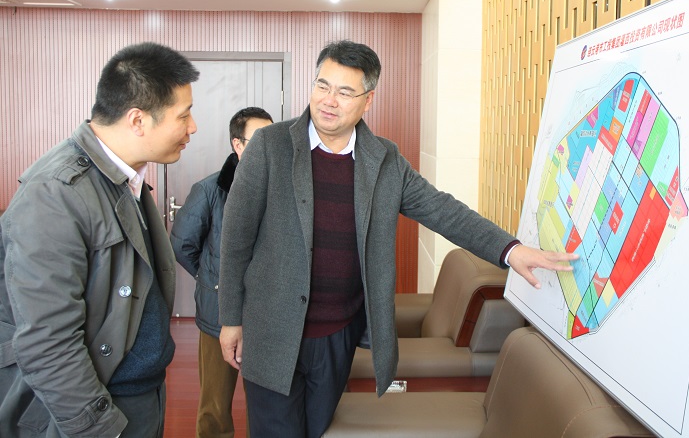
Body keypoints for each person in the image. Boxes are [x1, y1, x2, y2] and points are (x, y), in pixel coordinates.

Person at [218, 40, 578, 438]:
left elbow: (443, 210)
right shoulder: (269, 146)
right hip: (270, 329)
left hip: (337, 334)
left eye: (345, 92)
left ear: (368, 100)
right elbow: (235, 240)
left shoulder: (384, 160)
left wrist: (511, 250)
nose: (328, 100)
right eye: (322, 85)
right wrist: (230, 319)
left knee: (317, 430)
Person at [0, 42, 199, 437]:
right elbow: (47, 342)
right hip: (99, 410)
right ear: (138, 120)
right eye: (184, 115)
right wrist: (102, 427)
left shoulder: (126, 179)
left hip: (140, 393)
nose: (192, 127)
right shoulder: (55, 194)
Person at [170, 107, 273, 438]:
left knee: (269, 406)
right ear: (238, 145)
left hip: (268, 316)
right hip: (218, 315)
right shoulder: (209, 190)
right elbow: (182, 245)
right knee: (215, 407)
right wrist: (214, 278)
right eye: (259, 140)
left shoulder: (284, 190)